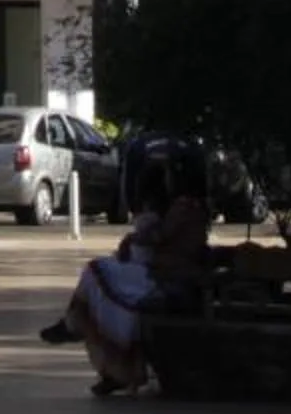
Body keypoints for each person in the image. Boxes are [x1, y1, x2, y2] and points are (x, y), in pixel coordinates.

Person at [41, 162, 209, 397]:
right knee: (102, 276)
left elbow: (158, 237)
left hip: (164, 276)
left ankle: (75, 325)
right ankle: (80, 331)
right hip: (160, 271)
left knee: (96, 271)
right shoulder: (188, 206)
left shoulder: (184, 207)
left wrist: (134, 238)